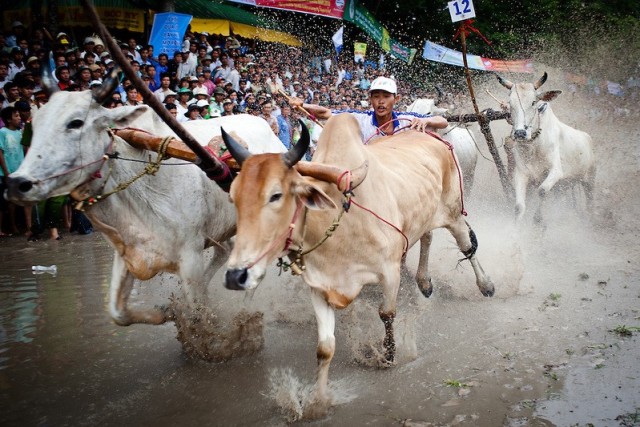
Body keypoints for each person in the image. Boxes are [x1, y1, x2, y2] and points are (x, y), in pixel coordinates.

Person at [289, 76, 447, 142]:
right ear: (370, 99)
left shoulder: (407, 119)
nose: (381, 102)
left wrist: (425, 120)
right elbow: (325, 113)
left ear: (396, 99)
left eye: (386, 96)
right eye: (376, 96)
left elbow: (443, 121)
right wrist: (303, 105)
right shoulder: (360, 118)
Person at [0, 106, 29, 236]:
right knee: (11, 202)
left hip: (20, 170)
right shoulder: (2, 132)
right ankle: (13, 226)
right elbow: (0, 153)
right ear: (8, 119)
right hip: (8, 171)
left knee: (23, 199)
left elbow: (24, 149)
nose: (19, 118)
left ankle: (27, 227)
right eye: (16, 116)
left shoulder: (19, 133)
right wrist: (6, 172)